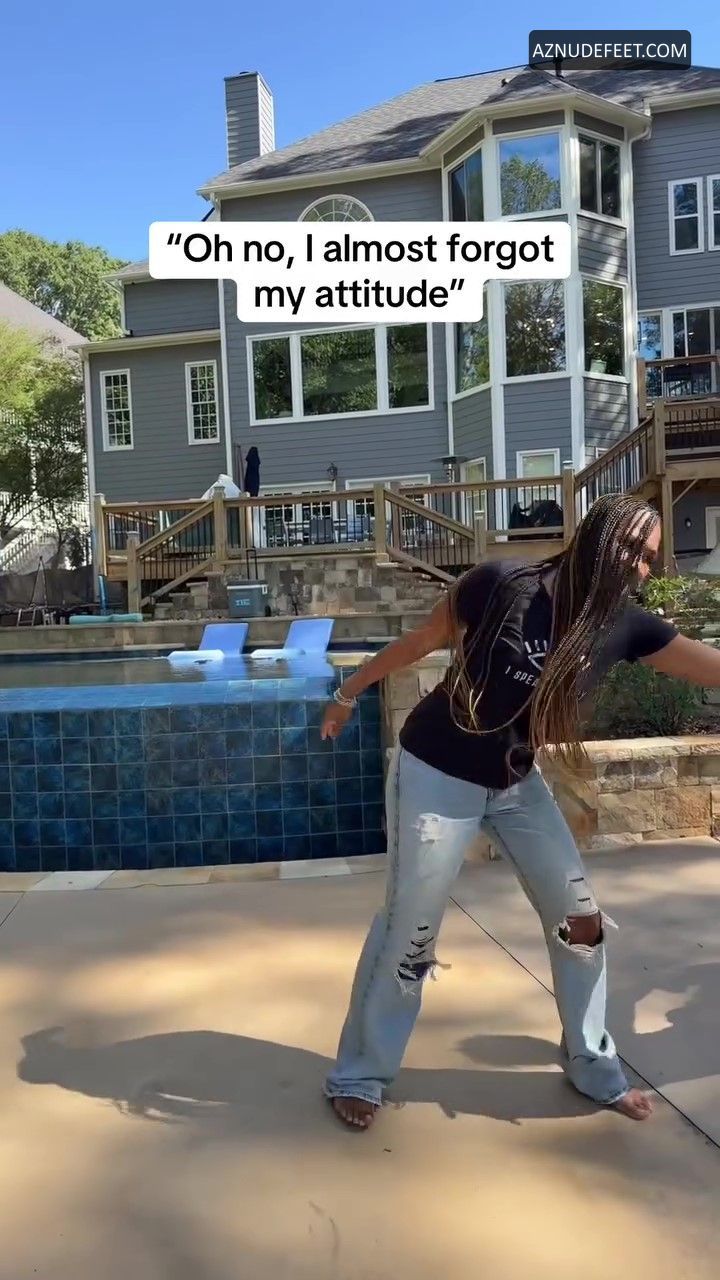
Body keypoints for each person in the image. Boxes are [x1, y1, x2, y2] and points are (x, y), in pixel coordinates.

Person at [320, 493, 720, 1129]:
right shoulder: (503, 584)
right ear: (595, 536)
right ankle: (361, 1074)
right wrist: (347, 693)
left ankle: (593, 1065)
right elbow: (420, 641)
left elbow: (712, 668)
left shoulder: (623, 626)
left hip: (514, 781)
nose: (640, 567)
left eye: (649, 558)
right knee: (411, 930)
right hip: (437, 770)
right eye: (631, 549)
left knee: (581, 922)